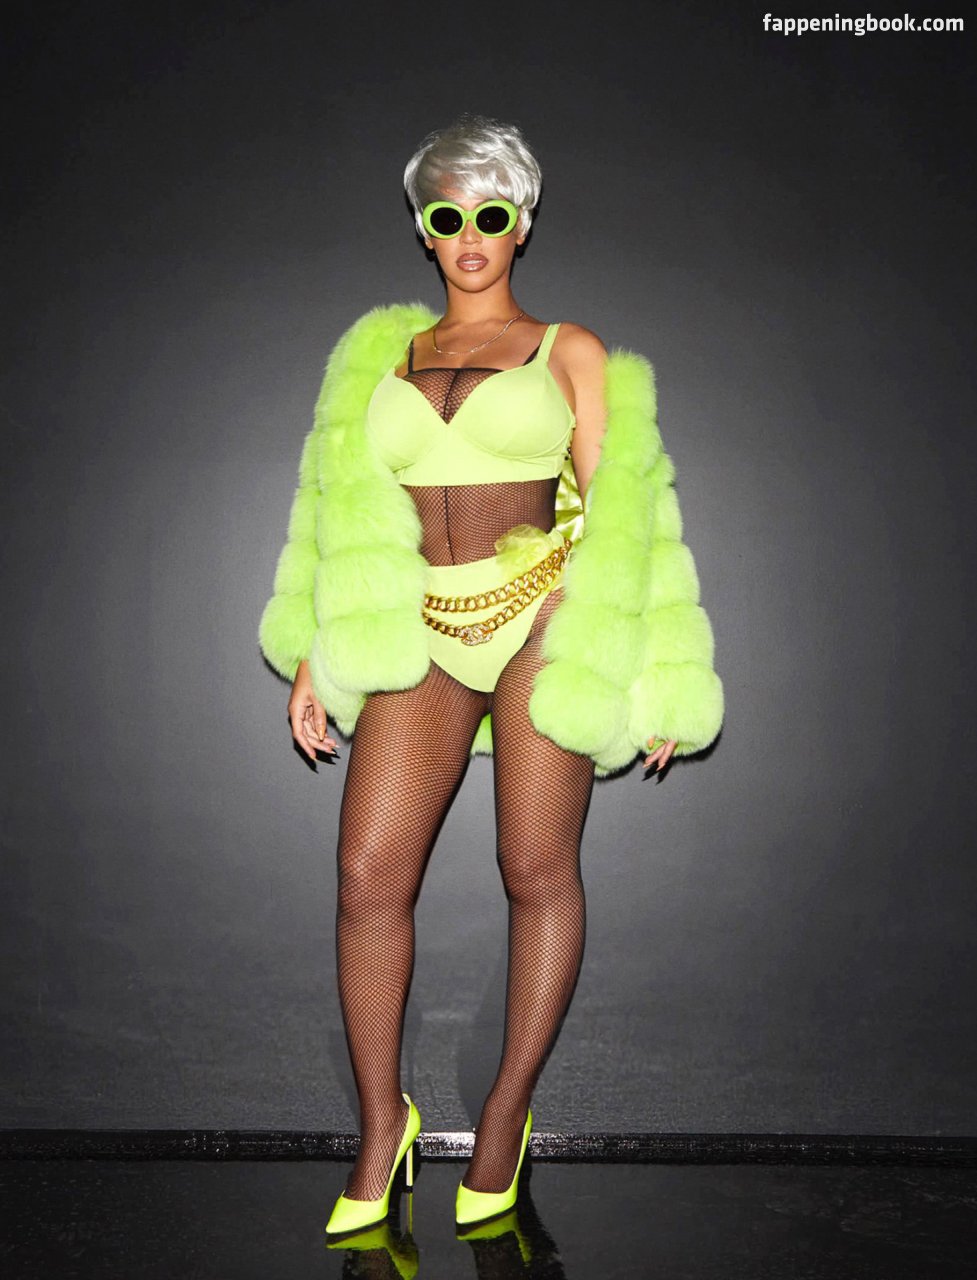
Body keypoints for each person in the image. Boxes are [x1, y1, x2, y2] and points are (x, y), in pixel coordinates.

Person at [258, 114, 724, 1236]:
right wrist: (316, 645)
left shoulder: (570, 350)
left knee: (533, 865)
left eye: (491, 213)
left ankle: (506, 1112)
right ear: (423, 230)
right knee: (366, 874)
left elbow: (632, 512)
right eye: (446, 214)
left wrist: (658, 671)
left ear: (521, 223)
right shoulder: (374, 358)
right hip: (419, 625)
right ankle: (383, 1125)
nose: (468, 235)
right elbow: (332, 512)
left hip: (540, 616)